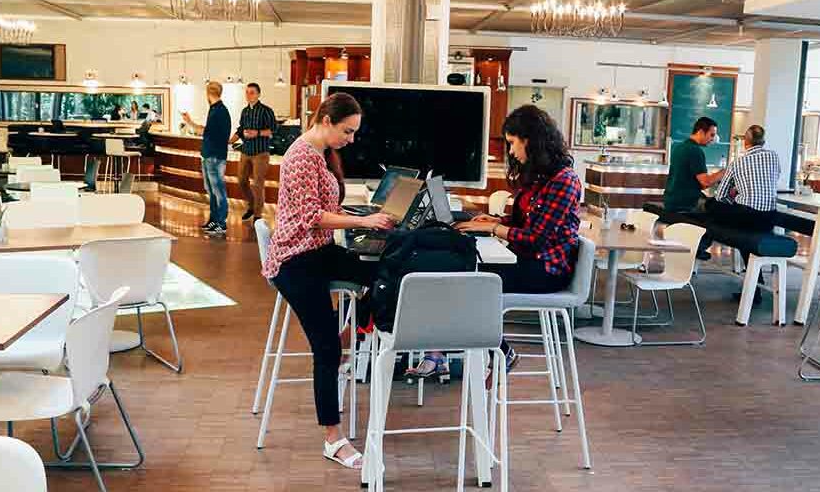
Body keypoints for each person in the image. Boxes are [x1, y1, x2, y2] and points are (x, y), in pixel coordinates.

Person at [263, 92, 394, 470]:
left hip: (317, 253)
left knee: (382, 273)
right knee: (326, 348)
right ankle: (332, 438)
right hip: (295, 260)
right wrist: (364, 221)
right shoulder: (300, 156)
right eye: (347, 131)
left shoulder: (320, 153)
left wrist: (361, 214)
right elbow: (311, 219)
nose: (351, 140)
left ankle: (360, 329)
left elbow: (326, 210)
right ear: (325, 120)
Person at [408, 105, 581, 380]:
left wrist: (494, 228)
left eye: (513, 143)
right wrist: (496, 221)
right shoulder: (537, 176)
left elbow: (537, 239)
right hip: (524, 260)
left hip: (546, 271)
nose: (511, 151)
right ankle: (440, 352)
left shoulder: (564, 181)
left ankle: (494, 351)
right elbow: (526, 225)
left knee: (468, 278)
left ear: (531, 139)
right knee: (456, 267)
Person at [706, 124, 781, 305]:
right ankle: (754, 289)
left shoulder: (738, 162)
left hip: (747, 217)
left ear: (745, 142)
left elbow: (721, 196)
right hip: (770, 218)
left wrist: (736, 192)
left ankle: (705, 241)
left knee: (711, 205)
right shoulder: (774, 157)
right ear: (763, 141)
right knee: (747, 243)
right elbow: (774, 178)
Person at [664, 116, 725, 260]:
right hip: (686, 203)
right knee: (719, 216)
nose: (713, 139)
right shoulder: (695, 151)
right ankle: (696, 247)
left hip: (672, 198)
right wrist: (724, 172)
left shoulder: (680, 147)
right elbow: (705, 182)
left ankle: (694, 246)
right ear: (701, 132)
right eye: (711, 135)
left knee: (711, 206)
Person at [181, 82, 232, 235]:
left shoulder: (219, 111)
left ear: (208, 93)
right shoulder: (216, 109)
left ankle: (221, 222)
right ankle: (214, 219)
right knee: (211, 190)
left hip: (214, 156)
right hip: (210, 154)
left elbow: (206, 132)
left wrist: (190, 122)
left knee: (218, 190)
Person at [230, 82, 276, 223]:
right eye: (247, 92)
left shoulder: (266, 110)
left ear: (258, 94)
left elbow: (273, 130)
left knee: (257, 184)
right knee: (242, 180)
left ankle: (257, 214)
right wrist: (230, 140)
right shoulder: (245, 111)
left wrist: (256, 133)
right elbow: (240, 130)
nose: (249, 95)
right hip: (246, 151)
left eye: (252, 92)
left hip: (260, 153)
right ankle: (252, 205)